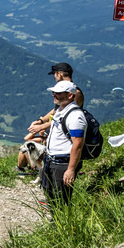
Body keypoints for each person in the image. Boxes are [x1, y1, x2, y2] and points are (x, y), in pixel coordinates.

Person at [15, 63, 85, 176]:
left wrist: (42, 126)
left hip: (65, 137)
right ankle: (36, 169)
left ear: (59, 74)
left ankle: (42, 169)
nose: (54, 77)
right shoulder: (63, 93)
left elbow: (65, 117)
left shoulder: (74, 93)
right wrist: (41, 121)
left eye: (54, 74)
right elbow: (56, 111)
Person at [40, 79, 87, 207]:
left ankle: (63, 219)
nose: (54, 95)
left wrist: (71, 169)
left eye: (58, 93)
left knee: (61, 199)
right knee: (51, 195)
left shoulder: (75, 116)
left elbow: (78, 145)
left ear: (70, 95)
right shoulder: (61, 110)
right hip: (51, 160)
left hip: (62, 163)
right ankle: (54, 218)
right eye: (53, 92)